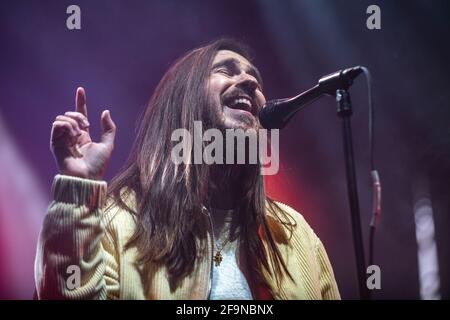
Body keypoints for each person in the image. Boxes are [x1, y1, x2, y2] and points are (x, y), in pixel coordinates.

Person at [34, 39, 340, 300]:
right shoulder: (120, 221)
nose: (251, 83)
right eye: (226, 70)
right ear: (183, 99)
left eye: (255, 79)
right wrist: (78, 187)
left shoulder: (294, 234)